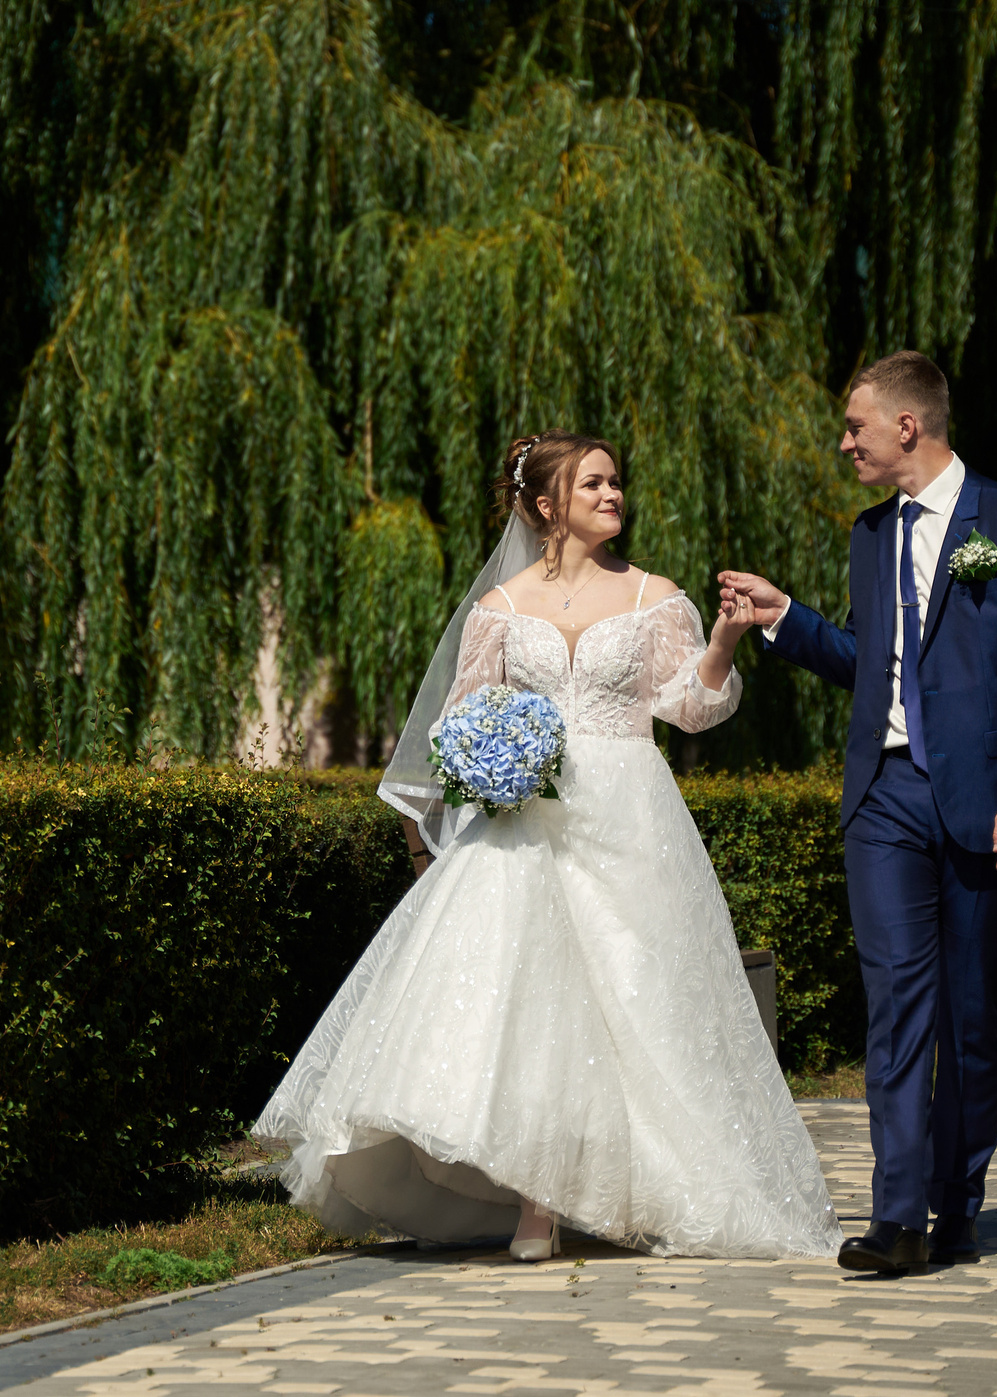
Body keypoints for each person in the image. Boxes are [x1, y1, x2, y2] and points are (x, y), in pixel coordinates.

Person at [254, 430, 842, 1262]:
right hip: (526, 821)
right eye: (593, 483)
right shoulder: (498, 609)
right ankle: (538, 1200)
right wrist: (495, 756)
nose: (614, 495)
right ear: (545, 505)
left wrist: (722, 640)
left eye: (616, 483)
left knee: (635, 1000)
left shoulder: (653, 597)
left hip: (627, 818)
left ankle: (642, 1186)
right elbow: (458, 721)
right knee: (532, 1003)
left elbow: (691, 708)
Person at [717, 351, 997, 1275]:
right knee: (896, 1007)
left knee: (968, 1015)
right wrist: (782, 616)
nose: (845, 442)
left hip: (985, 800)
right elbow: (867, 659)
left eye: (856, 426)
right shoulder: (871, 536)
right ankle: (895, 1217)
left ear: (907, 426)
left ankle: (957, 1205)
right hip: (882, 798)